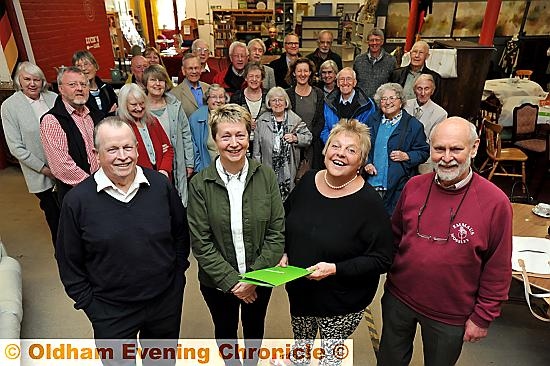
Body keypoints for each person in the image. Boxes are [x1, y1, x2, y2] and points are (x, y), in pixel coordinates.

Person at [377, 117, 513, 366]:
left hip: (451, 315)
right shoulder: (414, 187)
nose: (446, 157)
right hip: (399, 299)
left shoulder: (496, 203)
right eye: (439, 149)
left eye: (456, 149)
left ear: (474, 148)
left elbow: (498, 267)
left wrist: (483, 316)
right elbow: (393, 238)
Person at [56, 117, 190, 365]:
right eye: (112, 149)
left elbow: (180, 235)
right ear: (96, 154)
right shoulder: (77, 201)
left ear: (137, 148)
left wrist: (175, 282)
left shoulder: (160, 186)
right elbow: (68, 261)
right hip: (111, 311)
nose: (122, 156)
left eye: (128, 147)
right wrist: (92, 306)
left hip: (164, 304)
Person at [281, 119, 394, 366]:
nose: (340, 154)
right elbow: (285, 219)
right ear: (325, 150)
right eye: (335, 146)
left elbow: (383, 258)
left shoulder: (369, 204)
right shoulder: (308, 182)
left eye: (351, 150)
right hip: (300, 292)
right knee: (301, 349)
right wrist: (284, 250)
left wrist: (335, 269)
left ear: (362, 161)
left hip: (340, 301)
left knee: (328, 360)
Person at [187, 104, 285, 366]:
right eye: (226, 136)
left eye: (240, 135)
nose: (234, 143)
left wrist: (252, 279)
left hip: (260, 276)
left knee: (254, 330)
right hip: (217, 283)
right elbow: (201, 242)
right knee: (226, 330)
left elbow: (277, 232)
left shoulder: (265, 176)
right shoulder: (200, 184)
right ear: (215, 139)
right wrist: (234, 283)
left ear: (248, 136)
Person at [1, 62, 59, 244]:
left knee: (72, 209)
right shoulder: (10, 107)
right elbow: (15, 147)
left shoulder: (54, 98)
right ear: (19, 80)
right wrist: (44, 169)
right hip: (41, 173)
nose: (32, 84)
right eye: (27, 79)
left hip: (66, 167)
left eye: (37, 79)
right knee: (53, 213)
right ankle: (63, 251)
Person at [40, 66, 102, 203]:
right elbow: (62, 167)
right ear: (61, 89)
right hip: (78, 195)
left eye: (83, 84)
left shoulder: (95, 115)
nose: (79, 88)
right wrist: (95, 186)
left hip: (104, 187)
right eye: (72, 84)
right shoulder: (52, 120)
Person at [364, 83, 429, 214]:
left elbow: (424, 151)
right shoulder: (372, 120)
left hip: (397, 187)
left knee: (391, 225)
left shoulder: (413, 125)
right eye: (383, 99)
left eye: (392, 98)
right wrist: (367, 162)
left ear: (401, 101)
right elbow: (362, 147)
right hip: (371, 184)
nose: (387, 102)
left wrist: (407, 156)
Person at [143, 64, 195, 206]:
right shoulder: (140, 108)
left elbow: (186, 133)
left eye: (161, 80)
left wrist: (189, 163)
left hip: (177, 162)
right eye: (153, 80)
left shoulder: (175, 106)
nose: (158, 84)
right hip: (152, 165)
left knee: (178, 201)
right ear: (145, 83)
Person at [253, 87, 312, 201]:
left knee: (290, 201)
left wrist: (296, 138)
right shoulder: (262, 121)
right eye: (273, 100)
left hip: (289, 170)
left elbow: (308, 138)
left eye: (280, 100)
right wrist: (258, 171)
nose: (277, 103)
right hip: (268, 170)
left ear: (286, 102)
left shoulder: (295, 119)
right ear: (269, 103)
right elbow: (256, 151)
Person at [117, 83, 174, 179]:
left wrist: (164, 171)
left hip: (162, 178)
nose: (139, 108)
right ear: (124, 105)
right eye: (134, 105)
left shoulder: (152, 121)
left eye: (142, 103)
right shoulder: (120, 128)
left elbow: (168, 149)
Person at [285, 57, 325, 170]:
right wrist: (296, 138)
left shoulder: (318, 93)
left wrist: (309, 138)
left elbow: (320, 120)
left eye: (306, 71)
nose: (302, 74)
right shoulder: (287, 94)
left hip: (313, 146)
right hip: (292, 145)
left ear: (310, 73)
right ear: (293, 73)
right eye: (299, 71)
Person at [404, 74, 448, 174]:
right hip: (402, 154)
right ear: (414, 90)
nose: (423, 93)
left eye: (427, 89)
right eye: (419, 89)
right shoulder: (404, 106)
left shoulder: (440, 114)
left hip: (425, 158)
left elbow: (433, 142)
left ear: (432, 91)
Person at [321, 67, 376, 144]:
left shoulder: (367, 104)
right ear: (337, 83)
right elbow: (324, 128)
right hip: (333, 147)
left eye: (349, 79)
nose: (345, 82)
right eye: (342, 79)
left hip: (356, 149)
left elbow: (368, 132)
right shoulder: (328, 102)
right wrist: (334, 145)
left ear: (355, 82)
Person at [229, 62, 269, 150]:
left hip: (265, 142)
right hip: (242, 143)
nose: (254, 79)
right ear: (246, 78)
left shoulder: (268, 96)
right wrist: (245, 122)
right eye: (251, 76)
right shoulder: (237, 97)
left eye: (258, 77)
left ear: (262, 79)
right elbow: (230, 120)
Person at [189, 84, 226, 172]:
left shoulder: (232, 116)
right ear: (207, 100)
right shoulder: (196, 118)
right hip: (205, 169)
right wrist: (199, 168)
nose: (218, 100)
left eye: (221, 97)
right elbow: (193, 146)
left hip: (228, 167)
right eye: (214, 97)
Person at [72, 50, 118, 119]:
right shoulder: (77, 94)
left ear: (96, 66)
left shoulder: (107, 89)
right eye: (79, 66)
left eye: (86, 64)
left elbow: (117, 111)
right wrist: (108, 115)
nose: (83, 69)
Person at [353, 28, 396, 98]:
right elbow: (354, 82)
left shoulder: (391, 61)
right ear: (368, 42)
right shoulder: (359, 60)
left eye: (377, 40)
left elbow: (393, 85)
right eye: (371, 40)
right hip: (361, 102)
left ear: (382, 42)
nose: (374, 43)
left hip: (382, 103)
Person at [171, 53, 210, 118]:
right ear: (183, 70)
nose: (194, 71)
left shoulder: (208, 88)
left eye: (196, 68)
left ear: (201, 69)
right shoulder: (174, 94)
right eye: (190, 68)